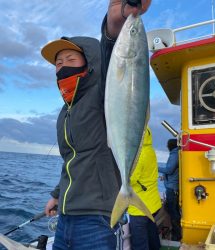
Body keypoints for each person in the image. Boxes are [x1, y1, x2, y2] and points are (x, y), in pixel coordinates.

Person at [41, 1, 152, 249]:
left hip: (96, 218)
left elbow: (112, 53)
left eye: (70, 58)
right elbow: (75, 160)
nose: (62, 66)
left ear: (88, 62)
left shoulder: (101, 92)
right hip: (66, 217)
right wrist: (58, 195)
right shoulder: (67, 111)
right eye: (58, 63)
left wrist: (118, 21)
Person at [128, 127, 162, 250]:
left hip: (140, 208)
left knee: (139, 243)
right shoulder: (150, 150)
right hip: (153, 204)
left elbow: (130, 179)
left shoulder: (139, 155)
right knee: (152, 235)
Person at [158, 139, 181, 241]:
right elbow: (173, 171)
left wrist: (156, 167)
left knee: (172, 211)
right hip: (174, 186)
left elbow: (169, 169)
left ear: (169, 146)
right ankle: (177, 231)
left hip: (172, 188)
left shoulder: (174, 155)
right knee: (173, 209)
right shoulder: (177, 153)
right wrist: (165, 176)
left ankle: (177, 235)